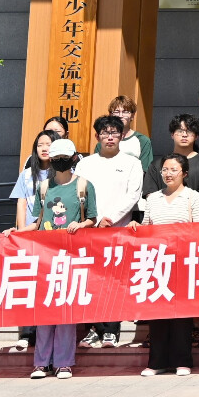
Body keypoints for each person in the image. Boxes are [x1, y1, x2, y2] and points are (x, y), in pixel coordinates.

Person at [21, 137, 95, 379]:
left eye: (64, 158)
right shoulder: (44, 187)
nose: (60, 162)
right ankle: (41, 363)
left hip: (72, 256)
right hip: (46, 256)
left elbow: (92, 218)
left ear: (74, 158)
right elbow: (37, 222)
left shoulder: (84, 185)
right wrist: (17, 232)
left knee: (66, 311)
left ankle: (64, 362)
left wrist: (81, 224)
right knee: (45, 311)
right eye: (56, 158)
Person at [75, 115, 144, 348]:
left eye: (115, 132)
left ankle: (111, 330)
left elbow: (133, 195)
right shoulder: (86, 164)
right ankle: (93, 328)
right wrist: (90, 219)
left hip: (118, 229)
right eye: (105, 133)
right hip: (90, 229)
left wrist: (110, 218)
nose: (110, 137)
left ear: (122, 135)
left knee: (114, 280)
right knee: (91, 280)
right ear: (97, 136)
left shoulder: (132, 163)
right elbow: (79, 193)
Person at [138, 154, 199, 376]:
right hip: (157, 261)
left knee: (182, 314)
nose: (168, 174)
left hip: (183, 262)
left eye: (173, 170)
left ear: (184, 173)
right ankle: (156, 362)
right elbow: (146, 227)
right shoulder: (153, 198)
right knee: (157, 313)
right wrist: (135, 227)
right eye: (165, 170)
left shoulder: (193, 197)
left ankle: (182, 361)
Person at [6, 130, 56, 350]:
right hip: (29, 237)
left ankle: (49, 331)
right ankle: (27, 333)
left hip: (51, 237)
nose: (44, 148)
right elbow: (21, 202)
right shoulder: (27, 174)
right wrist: (21, 231)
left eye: (49, 144)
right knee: (28, 283)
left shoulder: (64, 174)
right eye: (40, 144)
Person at [143, 115, 199, 208]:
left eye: (189, 131)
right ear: (172, 134)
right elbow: (150, 194)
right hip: (162, 214)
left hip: (192, 214)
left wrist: (178, 207)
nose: (184, 135)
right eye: (180, 131)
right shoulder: (156, 165)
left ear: (196, 136)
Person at [110, 95, 154, 175]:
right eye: (116, 112)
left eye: (125, 112)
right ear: (111, 115)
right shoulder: (104, 140)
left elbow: (144, 170)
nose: (120, 115)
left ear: (132, 115)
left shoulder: (143, 141)